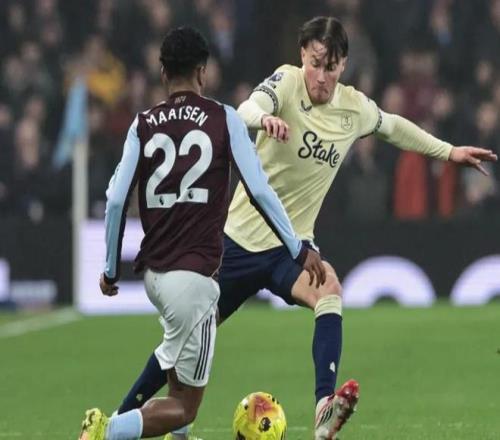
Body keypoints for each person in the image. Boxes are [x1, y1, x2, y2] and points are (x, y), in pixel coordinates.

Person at [115, 16, 498, 440]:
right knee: (183, 344)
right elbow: (247, 109)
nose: (321, 76)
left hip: (291, 248)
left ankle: (323, 410)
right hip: (234, 244)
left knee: (328, 290)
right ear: (303, 56)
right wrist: (265, 120)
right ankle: (119, 417)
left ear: (344, 65)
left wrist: (449, 152)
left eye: (331, 67)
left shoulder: (354, 108)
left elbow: (393, 126)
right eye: (315, 64)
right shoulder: (285, 82)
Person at [77, 26, 325, 440]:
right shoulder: (224, 118)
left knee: (178, 376)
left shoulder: (143, 123)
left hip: (155, 275)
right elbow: (259, 191)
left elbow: (116, 200)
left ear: (162, 72)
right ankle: (106, 431)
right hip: (195, 278)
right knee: (184, 406)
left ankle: (121, 427)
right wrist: (297, 248)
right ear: (202, 72)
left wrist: (110, 269)